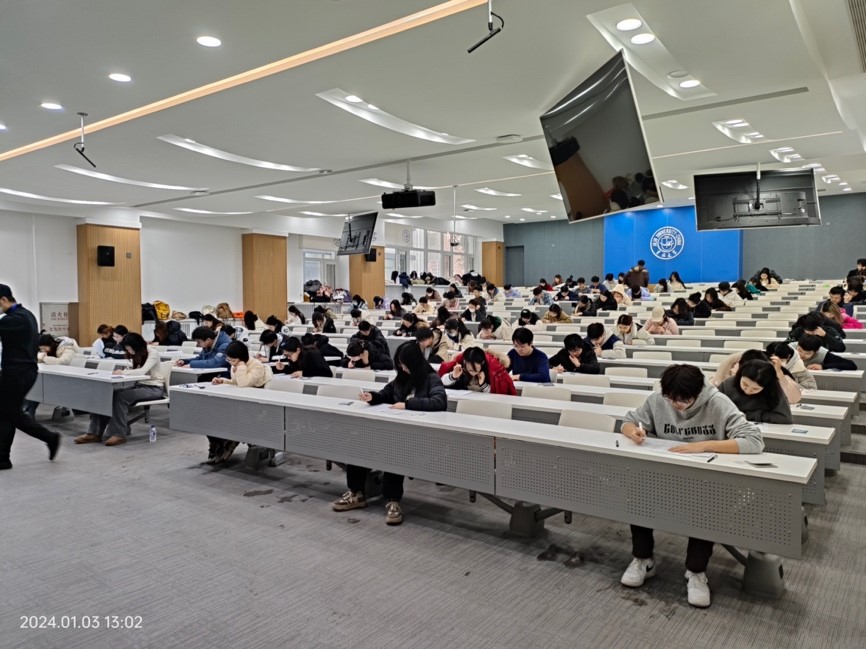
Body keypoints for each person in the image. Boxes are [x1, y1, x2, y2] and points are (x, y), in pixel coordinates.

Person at [619, 364, 764, 608]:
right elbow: (628, 421)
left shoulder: (718, 403)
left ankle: (696, 572)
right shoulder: (658, 400)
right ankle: (643, 559)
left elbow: (754, 440)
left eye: (683, 401)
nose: (676, 405)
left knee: (705, 510)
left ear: (698, 392)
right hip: (664, 476)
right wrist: (633, 431)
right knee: (639, 495)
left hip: (704, 481)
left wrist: (703, 445)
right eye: (671, 399)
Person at [333, 342, 447, 525]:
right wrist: (373, 396)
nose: (402, 368)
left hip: (417, 435)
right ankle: (356, 493)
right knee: (358, 442)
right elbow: (386, 393)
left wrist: (407, 404)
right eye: (400, 364)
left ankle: (393, 501)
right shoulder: (402, 377)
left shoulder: (431, 378)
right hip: (393, 429)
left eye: (405, 364)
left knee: (394, 449)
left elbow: (439, 401)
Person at [0, 284, 61, 469]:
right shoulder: (26, 315)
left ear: (3, 299)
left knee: (10, 413)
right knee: (6, 413)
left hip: (17, 373)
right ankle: (3, 459)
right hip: (20, 372)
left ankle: (50, 437)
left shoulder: (15, 319)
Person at [75, 333, 165, 447]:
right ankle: (94, 433)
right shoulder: (138, 353)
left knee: (120, 397)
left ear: (137, 345)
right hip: (140, 385)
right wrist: (124, 372)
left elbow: (142, 371)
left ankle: (118, 434)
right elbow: (135, 372)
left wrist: (122, 372)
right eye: (127, 349)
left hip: (154, 388)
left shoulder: (153, 353)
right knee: (107, 394)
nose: (129, 351)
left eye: (130, 348)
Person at [207, 341, 273, 463]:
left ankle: (229, 442)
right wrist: (223, 381)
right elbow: (236, 382)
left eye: (233, 360)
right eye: (229, 360)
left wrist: (241, 367)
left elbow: (243, 383)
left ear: (242, 358)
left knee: (226, 417)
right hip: (239, 402)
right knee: (212, 415)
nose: (231, 363)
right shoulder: (236, 364)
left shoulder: (256, 366)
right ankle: (219, 444)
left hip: (254, 404)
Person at [718, 360, 793, 424]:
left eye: (755, 389)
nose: (748, 390)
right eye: (745, 384)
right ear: (740, 376)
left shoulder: (774, 391)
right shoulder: (727, 384)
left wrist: (750, 416)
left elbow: (785, 418)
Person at [438, 346, 516, 395]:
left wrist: (483, 385)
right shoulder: (461, 366)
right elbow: (442, 382)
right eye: (470, 369)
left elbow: (496, 393)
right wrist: (453, 376)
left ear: (482, 362)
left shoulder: (491, 370)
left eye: (476, 369)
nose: (472, 373)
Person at [792, 334, 857, 371]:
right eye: (799, 350)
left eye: (808, 353)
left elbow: (851, 365)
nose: (802, 355)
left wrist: (823, 366)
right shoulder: (789, 348)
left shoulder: (822, 353)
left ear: (816, 351)